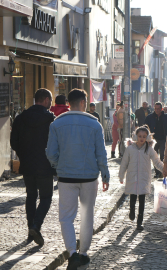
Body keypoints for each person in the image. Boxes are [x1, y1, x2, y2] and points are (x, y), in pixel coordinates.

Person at [46, 89, 110, 269]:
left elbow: (50, 153)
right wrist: (105, 174)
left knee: (66, 217)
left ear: (69, 103)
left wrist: (59, 166)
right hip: (89, 177)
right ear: (83, 102)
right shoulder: (95, 124)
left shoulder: (57, 124)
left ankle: (72, 253)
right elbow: (101, 153)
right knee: (86, 215)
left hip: (66, 177)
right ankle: (83, 254)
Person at [10, 88, 55, 246]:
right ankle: (36, 226)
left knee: (31, 196)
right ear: (45, 100)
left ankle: (31, 228)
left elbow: (13, 142)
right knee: (46, 198)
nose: (51, 104)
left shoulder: (21, 118)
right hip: (45, 164)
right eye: (50, 100)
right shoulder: (50, 119)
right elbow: (56, 143)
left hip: (27, 165)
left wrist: (23, 155)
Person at [119, 125, 164, 230]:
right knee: (133, 198)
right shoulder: (130, 149)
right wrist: (121, 176)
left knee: (142, 201)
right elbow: (124, 163)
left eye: (144, 136)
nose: (142, 138)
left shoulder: (149, 150)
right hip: (132, 178)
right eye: (140, 136)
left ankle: (139, 222)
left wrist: (164, 170)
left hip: (144, 178)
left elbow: (157, 161)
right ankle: (131, 211)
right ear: (135, 137)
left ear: (147, 137)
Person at [145, 102, 167, 178]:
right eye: (155, 109)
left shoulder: (166, 117)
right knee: (154, 156)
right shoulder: (150, 117)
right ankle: (157, 172)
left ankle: (163, 171)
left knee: (163, 156)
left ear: (161, 109)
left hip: (163, 139)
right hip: (153, 140)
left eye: (158, 109)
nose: (157, 110)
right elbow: (145, 127)